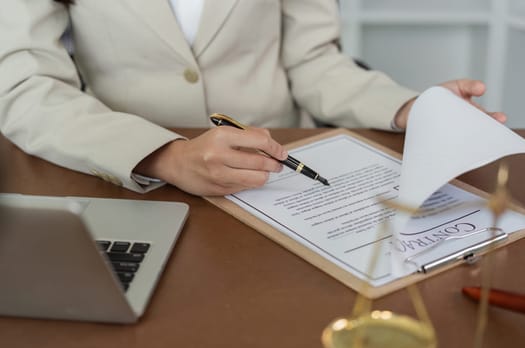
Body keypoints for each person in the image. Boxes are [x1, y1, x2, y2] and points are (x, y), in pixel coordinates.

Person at [0, 0, 506, 196]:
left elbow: (313, 60)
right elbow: (28, 88)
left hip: (279, 179)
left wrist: (410, 108)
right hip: (126, 182)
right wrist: (164, 154)